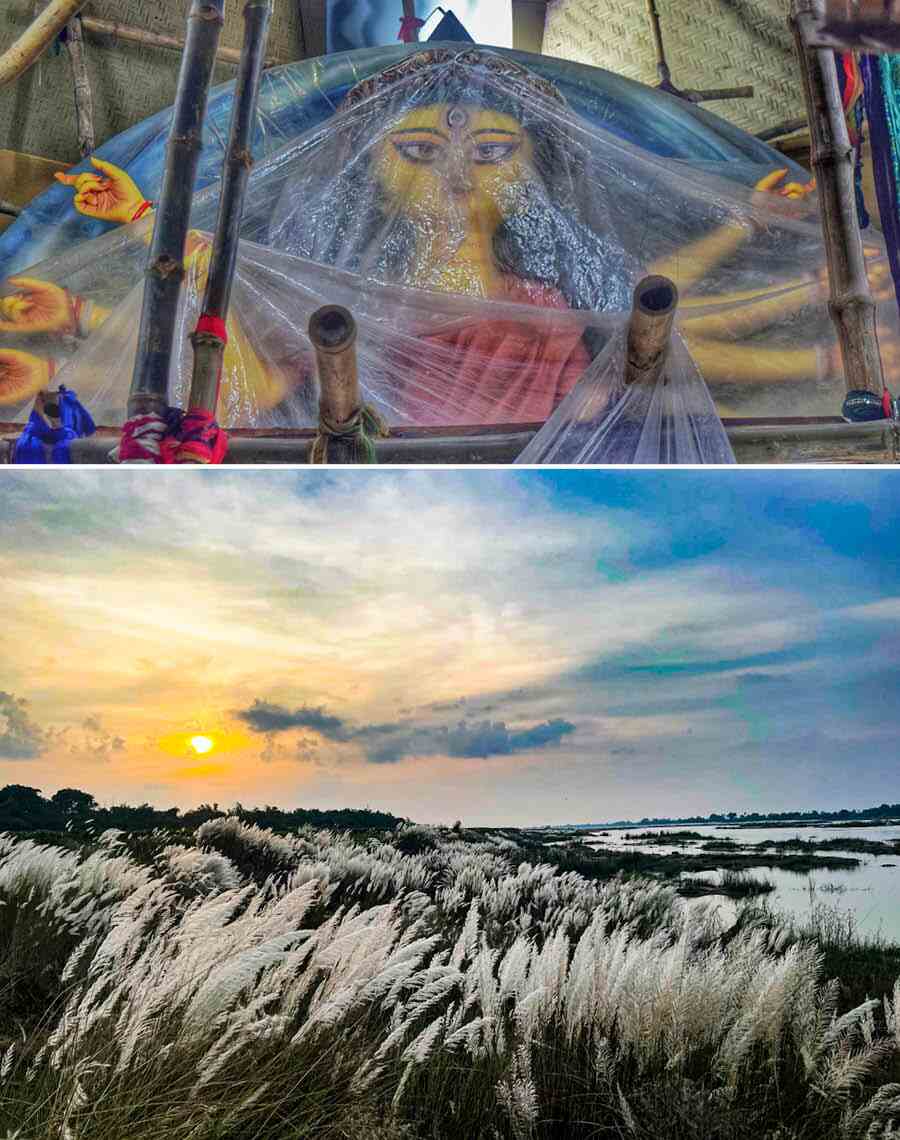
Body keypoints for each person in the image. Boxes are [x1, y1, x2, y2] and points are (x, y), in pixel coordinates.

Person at [2, 48, 892, 424]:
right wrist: (81, 322)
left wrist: (769, 252)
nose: (459, 171)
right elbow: (250, 366)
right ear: (370, 165)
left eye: (496, 150)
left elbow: (662, 329)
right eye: (420, 150)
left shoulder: (545, 299)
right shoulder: (337, 291)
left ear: (533, 167)